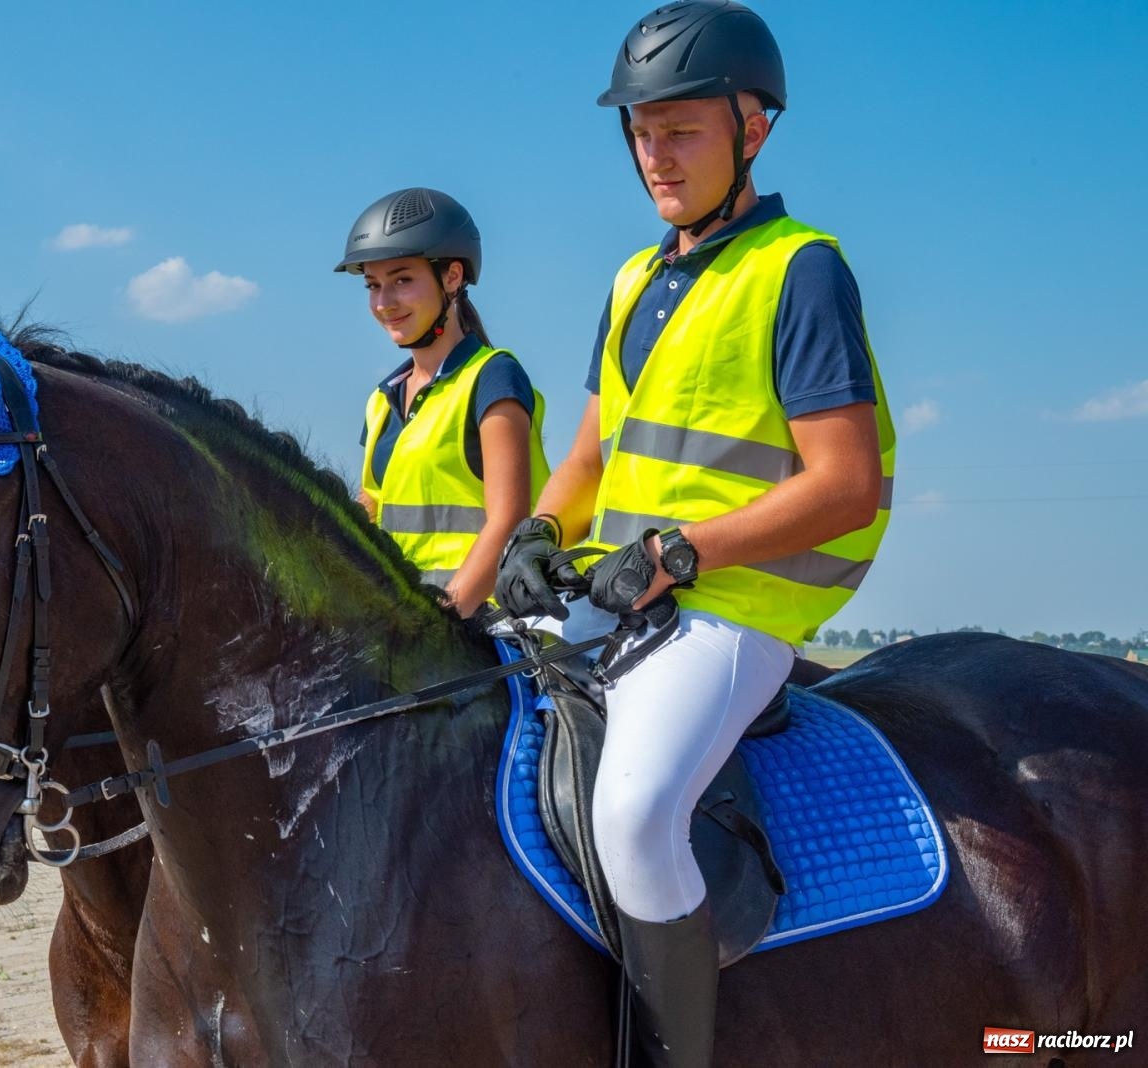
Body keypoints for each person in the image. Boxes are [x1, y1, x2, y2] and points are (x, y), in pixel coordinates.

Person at [495, 3, 896, 1064]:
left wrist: (683, 553)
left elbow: (846, 486)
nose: (656, 156)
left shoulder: (801, 268)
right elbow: (588, 457)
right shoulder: (633, 278)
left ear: (750, 128)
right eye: (641, 131)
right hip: (623, 596)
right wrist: (538, 527)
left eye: (682, 131)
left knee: (632, 817)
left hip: (735, 606)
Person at [336, 187, 550, 618]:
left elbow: (509, 520)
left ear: (452, 277)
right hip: (411, 628)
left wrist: (443, 620)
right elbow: (370, 512)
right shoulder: (382, 401)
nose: (383, 303)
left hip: (488, 623)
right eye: (373, 285)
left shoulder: (493, 377)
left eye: (402, 280)